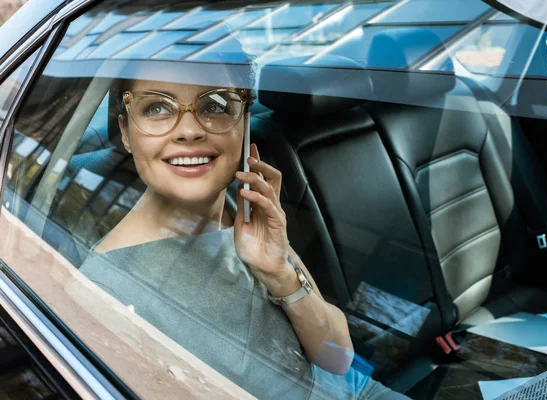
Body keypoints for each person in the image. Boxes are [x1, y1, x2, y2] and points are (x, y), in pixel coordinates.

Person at [79, 75, 409, 399]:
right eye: (156, 109)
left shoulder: (246, 208)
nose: (190, 130)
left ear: (244, 123)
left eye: (215, 106)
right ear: (125, 132)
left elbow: (337, 358)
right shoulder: (103, 290)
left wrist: (279, 274)